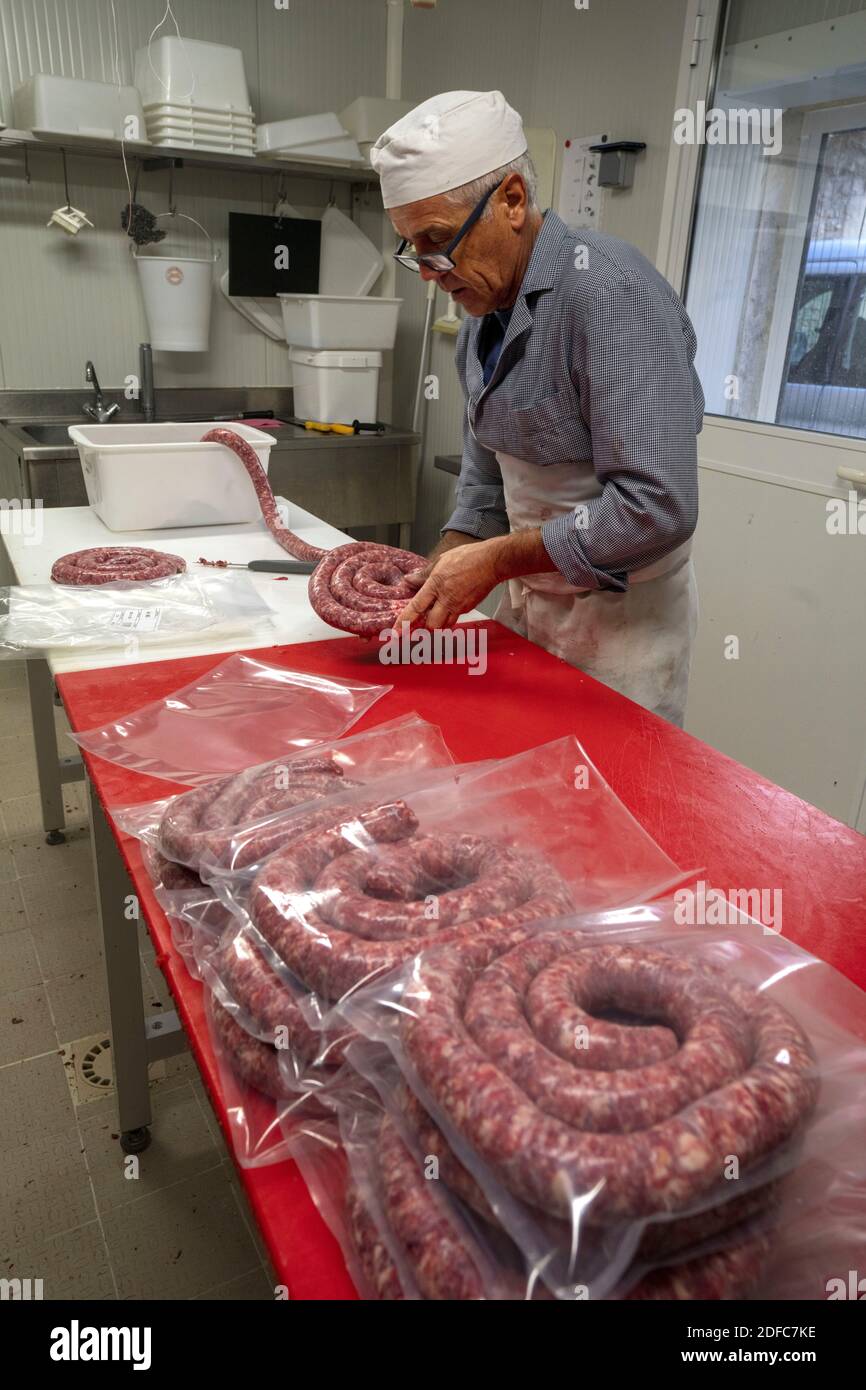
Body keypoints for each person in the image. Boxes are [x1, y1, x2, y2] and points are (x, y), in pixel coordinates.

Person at [370, 90, 704, 726]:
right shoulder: (480, 314)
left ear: (513, 201)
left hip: (624, 629)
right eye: (412, 247)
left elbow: (658, 506)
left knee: (599, 805)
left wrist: (495, 561)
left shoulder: (610, 297)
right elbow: (487, 483)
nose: (428, 271)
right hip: (530, 607)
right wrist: (438, 575)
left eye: (438, 241)